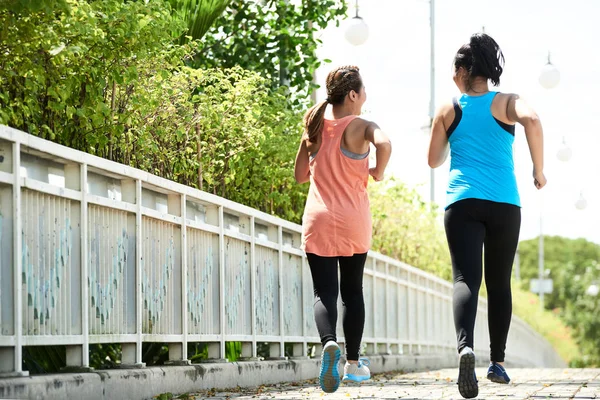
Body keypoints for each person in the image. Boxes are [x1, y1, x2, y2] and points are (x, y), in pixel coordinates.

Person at [427, 33, 546, 399]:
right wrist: (538, 171)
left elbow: (433, 160)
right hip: (504, 203)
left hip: (462, 200)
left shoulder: (450, 109)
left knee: (465, 277)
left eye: (454, 69)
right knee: (499, 282)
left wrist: (453, 136)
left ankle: (465, 348)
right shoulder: (508, 102)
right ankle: (497, 362)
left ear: (463, 71)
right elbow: (534, 122)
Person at [294, 65, 392, 393]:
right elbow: (385, 143)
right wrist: (377, 170)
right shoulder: (362, 125)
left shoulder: (315, 123)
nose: (365, 98)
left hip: (318, 219)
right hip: (353, 221)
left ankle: (328, 343)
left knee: (324, 292)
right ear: (352, 95)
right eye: (363, 93)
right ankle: (353, 364)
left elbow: (299, 176)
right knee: (352, 292)